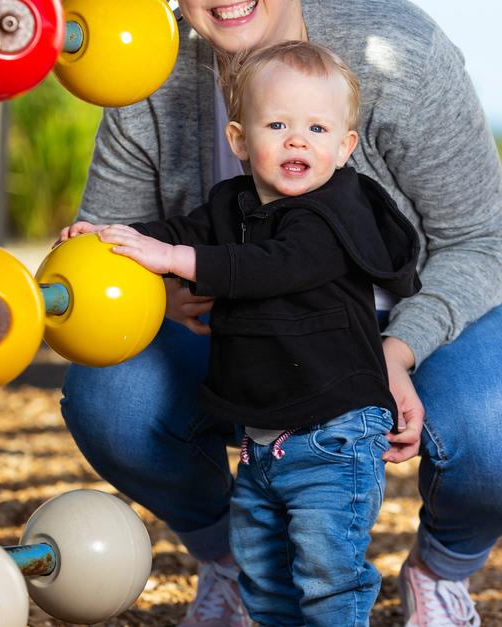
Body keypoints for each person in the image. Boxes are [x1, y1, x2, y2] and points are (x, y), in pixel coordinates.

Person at [60, 0, 502, 627]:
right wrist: (161, 288)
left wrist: (401, 348)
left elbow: (478, 238)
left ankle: (440, 572)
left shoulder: (397, 50)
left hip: (404, 315)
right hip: (244, 338)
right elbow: (113, 253)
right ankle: (233, 559)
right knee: (109, 390)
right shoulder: (143, 80)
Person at [60, 40, 422, 626]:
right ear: (238, 140)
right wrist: (114, 237)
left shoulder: (334, 213)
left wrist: (175, 258)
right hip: (264, 437)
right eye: (277, 124)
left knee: (328, 574)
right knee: (265, 573)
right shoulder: (233, 202)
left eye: (316, 127)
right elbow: (180, 230)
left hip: (335, 430)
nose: (297, 139)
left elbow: (269, 266)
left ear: (344, 145)